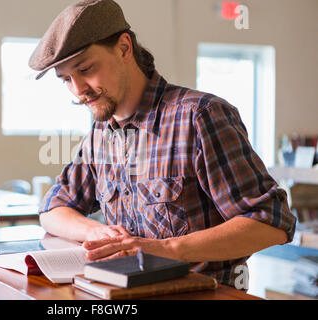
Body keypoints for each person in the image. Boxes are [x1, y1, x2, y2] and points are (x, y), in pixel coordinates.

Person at [30, 0, 296, 288]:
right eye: (66, 79)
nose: (78, 90)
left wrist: (166, 249)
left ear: (123, 48)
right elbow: (52, 210)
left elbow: (272, 222)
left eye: (85, 69)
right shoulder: (100, 133)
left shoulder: (199, 116)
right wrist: (98, 234)